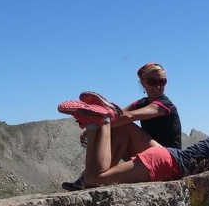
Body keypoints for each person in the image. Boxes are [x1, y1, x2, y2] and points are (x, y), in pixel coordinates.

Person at [57, 98, 209, 188]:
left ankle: (99, 124)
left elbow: (127, 118)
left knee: (126, 129)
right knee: (94, 181)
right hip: (168, 163)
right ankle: (100, 124)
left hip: (164, 153)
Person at [61, 62, 182, 190]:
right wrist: (93, 129)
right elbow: (119, 114)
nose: (158, 86)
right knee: (118, 128)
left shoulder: (164, 105)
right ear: (143, 83)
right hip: (153, 155)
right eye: (152, 81)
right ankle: (95, 175)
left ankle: (92, 176)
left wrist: (97, 125)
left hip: (167, 158)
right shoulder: (141, 102)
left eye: (162, 82)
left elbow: (129, 116)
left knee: (124, 126)